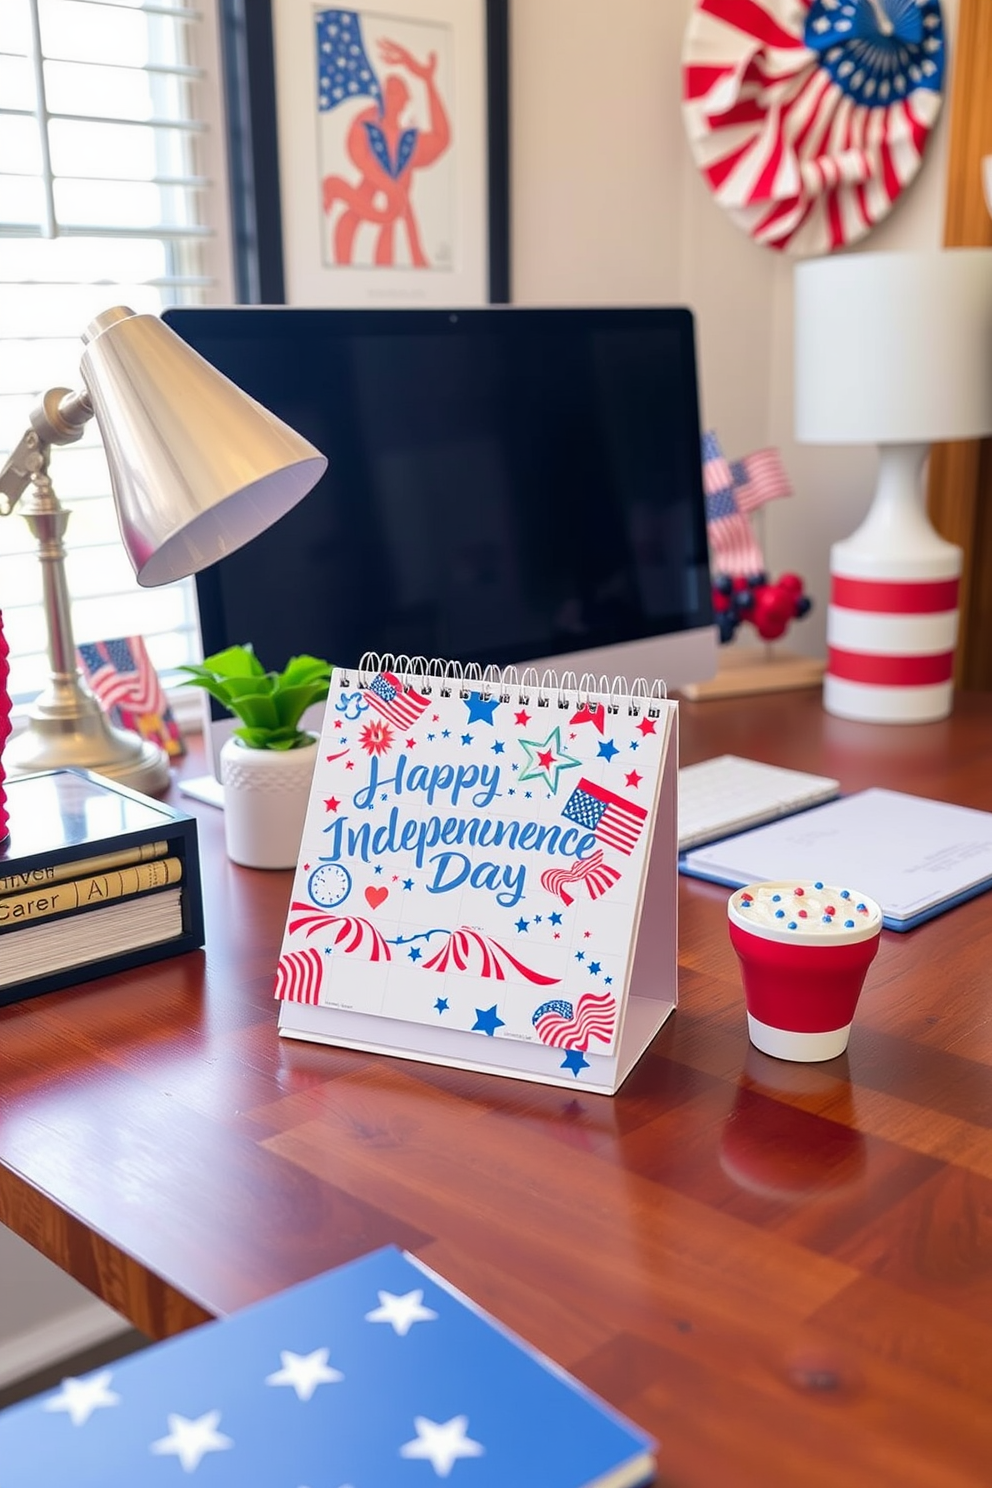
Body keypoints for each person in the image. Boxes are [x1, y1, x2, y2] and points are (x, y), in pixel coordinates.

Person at [322, 38, 451, 268]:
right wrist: (388, 188)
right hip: (369, 213)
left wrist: (428, 80)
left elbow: (442, 139)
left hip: (400, 226)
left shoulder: (409, 141)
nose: (389, 98)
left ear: (405, 101)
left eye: (395, 93)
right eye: (386, 92)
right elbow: (358, 150)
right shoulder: (366, 127)